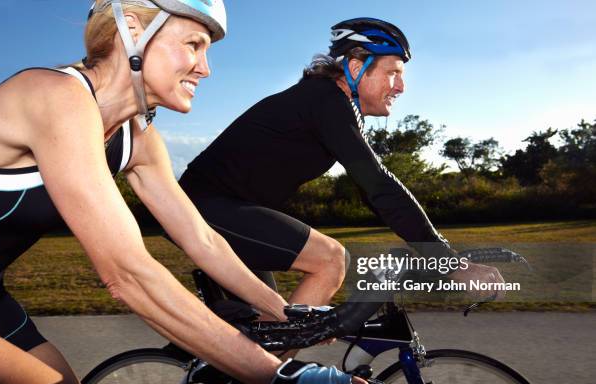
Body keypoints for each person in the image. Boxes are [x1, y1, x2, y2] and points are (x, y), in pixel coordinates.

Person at [0, 1, 370, 384]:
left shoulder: (139, 139)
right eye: (193, 44)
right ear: (132, 30)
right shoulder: (53, 95)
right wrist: (277, 376)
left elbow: (202, 239)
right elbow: (127, 273)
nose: (205, 68)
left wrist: (283, 313)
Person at [179, 17, 505, 309]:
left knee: (270, 324)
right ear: (354, 67)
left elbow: (372, 191)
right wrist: (449, 264)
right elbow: (378, 184)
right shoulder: (325, 100)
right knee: (330, 260)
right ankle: (268, 373)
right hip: (204, 208)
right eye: (393, 73)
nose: (402, 87)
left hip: (224, 211)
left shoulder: (333, 105)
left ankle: (233, 372)